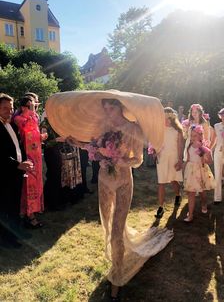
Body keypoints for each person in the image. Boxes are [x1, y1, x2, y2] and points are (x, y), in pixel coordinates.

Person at [46, 91, 173, 301]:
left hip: (123, 181)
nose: (108, 112)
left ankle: (117, 277)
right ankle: (116, 257)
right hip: (105, 180)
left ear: (120, 108)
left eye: (111, 108)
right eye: (105, 109)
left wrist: (125, 162)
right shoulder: (103, 128)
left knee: (116, 231)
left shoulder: (133, 129)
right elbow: (93, 147)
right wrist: (75, 142)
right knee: (107, 223)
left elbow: (138, 160)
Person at [0, 93, 33, 247]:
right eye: (5, 108)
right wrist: (16, 165)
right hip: (4, 174)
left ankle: (16, 232)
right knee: (5, 206)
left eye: (11, 108)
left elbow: (18, 147)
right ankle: (7, 239)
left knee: (14, 204)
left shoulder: (12, 124)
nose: (10, 111)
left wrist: (25, 160)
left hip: (16, 172)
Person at [14, 96, 44, 228]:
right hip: (27, 157)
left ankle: (34, 210)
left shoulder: (34, 117)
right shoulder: (19, 119)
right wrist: (30, 112)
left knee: (36, 184)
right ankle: (29, 215)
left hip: (36, 157)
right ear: (23, 107)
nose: (34, 107)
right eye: (31, 105)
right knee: (28, 186)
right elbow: (28, 129)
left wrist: (41, 137)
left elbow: (34, 134)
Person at [155, 107, 184, 218]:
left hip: (174, 158)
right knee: (161, 183)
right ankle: (161, 207)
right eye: (164, 118)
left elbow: (180, 147)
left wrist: (180, 160)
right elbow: (155, 143)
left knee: (173, 180)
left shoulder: (178, 131)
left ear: (172, 119)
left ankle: (178, 195)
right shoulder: (159, 130)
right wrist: (154, 150)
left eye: (168, 118)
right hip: (161, 158)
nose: (165, 121)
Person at [183, 125, 215, 222]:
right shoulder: (189, 146)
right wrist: (183, 170)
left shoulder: (203, 148)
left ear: (201, 136)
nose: (194, 138)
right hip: (191, 171)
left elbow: (209, 161)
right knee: (191, 193)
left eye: (196, 135)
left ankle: (204, 203)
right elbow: (187, 159)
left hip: (201, 171)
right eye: (192, 136)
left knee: (202, 192)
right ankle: (190, 214)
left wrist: (203, 152)